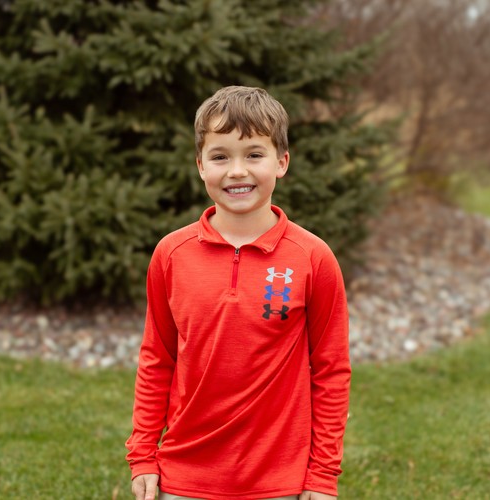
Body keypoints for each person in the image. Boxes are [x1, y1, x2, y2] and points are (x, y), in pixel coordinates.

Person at [126, 86, 351, 500]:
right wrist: (143, 454)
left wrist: (322, 475)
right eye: (220, 157)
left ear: (281, 162)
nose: (237, 171)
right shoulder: (171, 254)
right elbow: (157, 359)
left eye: (254, 154)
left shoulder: (312, 258)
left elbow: (331, 370)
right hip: (184, 476)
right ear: (200, 166)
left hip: (278, 481)